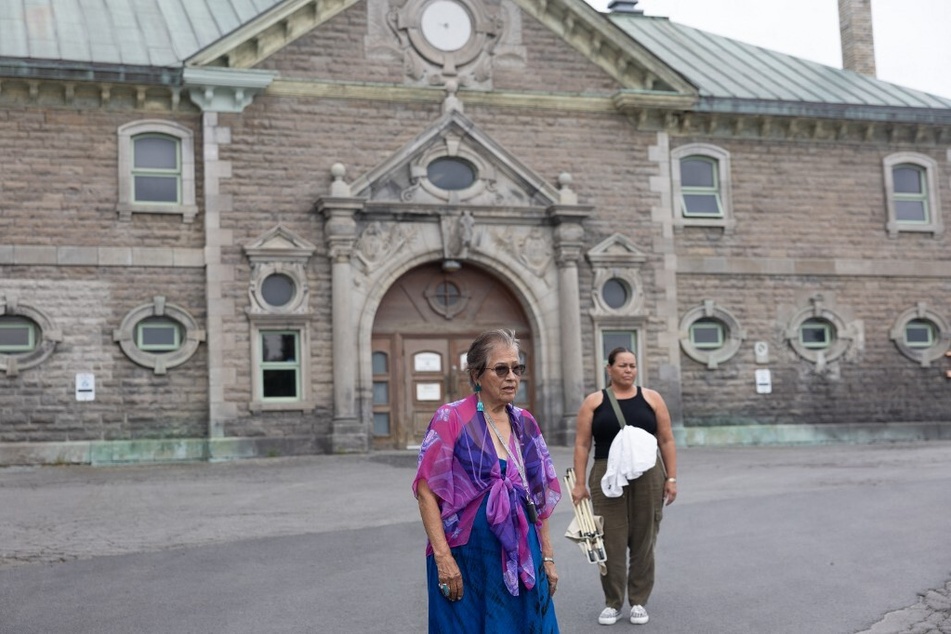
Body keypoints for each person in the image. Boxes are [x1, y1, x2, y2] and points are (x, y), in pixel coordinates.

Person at [414, 329, 562, 633]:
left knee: (526, 624)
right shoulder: (451, 417)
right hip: (466, 556)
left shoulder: (525, 422)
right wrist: (443, 557)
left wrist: (546, 556)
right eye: (501, 369)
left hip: (521, 552)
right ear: (476, 374)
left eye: (517, 368)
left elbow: (539, 496)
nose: (511, 377)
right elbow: (426, 492)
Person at [570, 347, 678, 626]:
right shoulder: (594, 402)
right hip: (606, 471)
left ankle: (639, 601)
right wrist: (580, 483)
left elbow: (666, 439)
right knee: (610, 539)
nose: (628, 370)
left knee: (644, 538)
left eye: (632, 365)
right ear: (609, 369)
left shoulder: (651, 398)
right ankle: (613, 603)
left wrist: (671, 478)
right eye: (622, 365)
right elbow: (582, 444)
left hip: (649, 472)